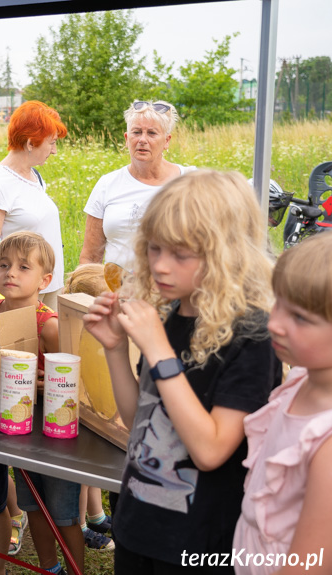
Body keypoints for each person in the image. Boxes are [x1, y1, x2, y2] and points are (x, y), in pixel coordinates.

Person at [83, 170, 280, 573]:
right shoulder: (174, 314)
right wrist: (116, 349)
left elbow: (210, 451)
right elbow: (140, 418)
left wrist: (157, 349)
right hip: (138, 526)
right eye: (154, 249)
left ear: (226, 253)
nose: (160, 266)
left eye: (180, 254)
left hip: (199, 544)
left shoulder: (254, 337)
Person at [232, 232, 332, 575]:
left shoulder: (327, 442)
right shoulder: (300, 379)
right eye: (279, 304)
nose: (274, 323)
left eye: (300, 318)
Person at [0, 231, 80, 575]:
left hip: (51, 433)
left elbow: (68, 381)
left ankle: (75, 569)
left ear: (45, 280)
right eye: (5, 265)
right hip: (13, 428)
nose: (10, 273)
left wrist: (47, 382)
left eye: (23, 267)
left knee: (64, 513)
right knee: (32, 505)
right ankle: (49, 566)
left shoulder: (48, 325)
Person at [0, 100, 68, 310]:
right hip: (20, 296)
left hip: (48, 287)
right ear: (30, 143)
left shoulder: (34, 176)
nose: (54, 151)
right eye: (51, 143)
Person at [79, 100, 194, 268]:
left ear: (167, 141)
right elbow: (90, 258)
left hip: (172, 291)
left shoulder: (189, 181)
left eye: (152, 133)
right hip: (117, 292)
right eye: (137, 132)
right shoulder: (107, 184)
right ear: (127, 139)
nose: (142, 140)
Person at [62, 263, 116, 552]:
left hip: (95, 412)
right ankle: (81, 524)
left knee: (91, 471)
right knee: (82, 474)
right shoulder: (76, 332)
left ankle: (96, 516)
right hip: (77, 411)